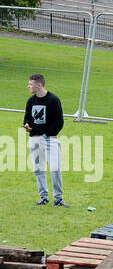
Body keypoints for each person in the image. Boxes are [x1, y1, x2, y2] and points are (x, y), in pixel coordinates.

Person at [22, 74, 65, 207]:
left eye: (31, 84)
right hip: (34, 139)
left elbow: (59, 121)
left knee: (55, 168)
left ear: (39, 85)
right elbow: (27, 117)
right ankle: (44, 197)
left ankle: (58, 198)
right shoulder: (31, 101)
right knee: (38, 169)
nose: (29, 86)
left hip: (50, 139)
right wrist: (26, 125)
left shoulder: (53, 100)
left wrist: (47, 134)